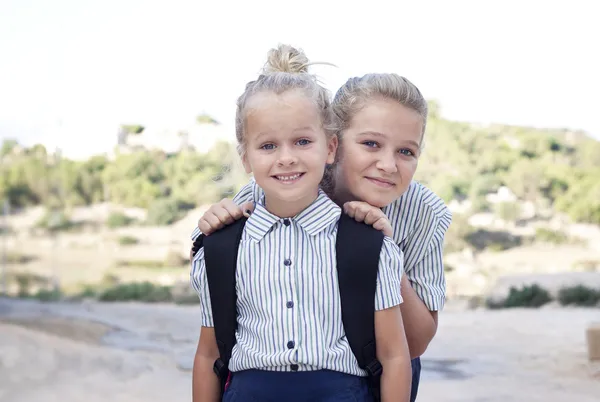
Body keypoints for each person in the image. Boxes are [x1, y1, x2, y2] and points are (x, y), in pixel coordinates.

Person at [193, 58, 452, 402]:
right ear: (334, 143)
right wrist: (213, 222)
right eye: (371, 144)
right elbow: (221, 268)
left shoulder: (422, 211)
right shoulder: (278, 185)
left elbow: (415, 342)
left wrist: (381, 252)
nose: (388, 165)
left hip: (381, 363)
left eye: (406, 151)